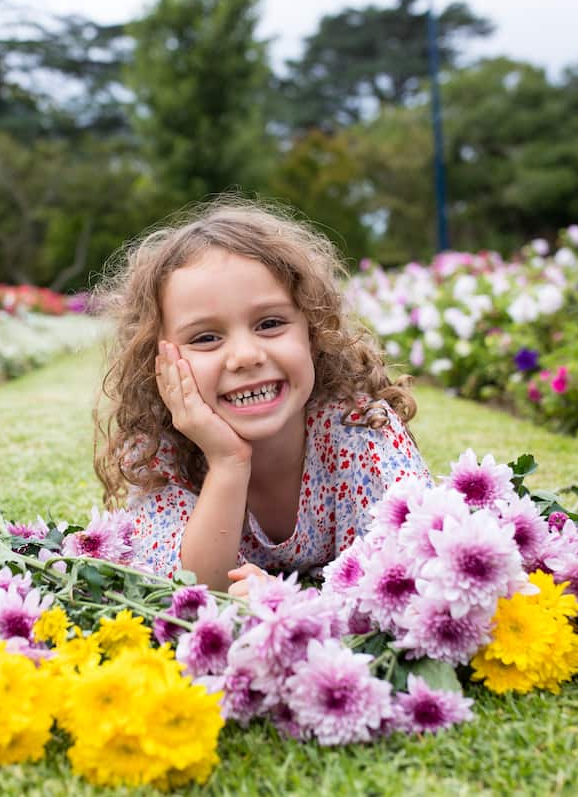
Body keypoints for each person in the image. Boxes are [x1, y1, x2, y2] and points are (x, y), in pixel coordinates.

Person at [92, 199, 430, 595]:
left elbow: (404, 582)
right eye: (206, 337)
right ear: (159, 362)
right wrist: (227, 462)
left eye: (270, 324)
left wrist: (291, 599)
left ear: (314, 332)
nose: (246, 356)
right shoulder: (159, 453)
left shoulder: (361, 431)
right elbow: (191, 589)